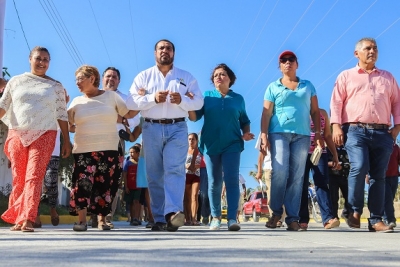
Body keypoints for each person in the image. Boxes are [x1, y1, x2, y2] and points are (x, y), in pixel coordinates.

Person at [127, 39, 203, 231]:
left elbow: (199, 102)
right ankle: (159, 218)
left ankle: (173, 213)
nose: (165, 51)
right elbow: (131, 103)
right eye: (161, 48)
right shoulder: (143, 77)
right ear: (155, 53)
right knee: (154, 174)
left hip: (177, 128)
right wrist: (152, 98)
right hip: (151, 128)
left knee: (175, 170)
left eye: (168, 48)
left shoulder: (186, 77)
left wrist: (182, 100)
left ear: (174, 53)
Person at [330, 37, 400, 233]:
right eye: (368, 48)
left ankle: (376, 220)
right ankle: (354, 210)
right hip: (355, 130)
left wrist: (397, 127)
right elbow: (336, 102)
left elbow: (397, 102)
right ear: (357, 54)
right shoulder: (346, 76)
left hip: (382, 132)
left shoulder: (387, 77)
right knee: (359, 166)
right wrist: (335, 126)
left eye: (375, 48)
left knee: (379, 176)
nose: (372, 51)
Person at [0, 46, 71, 232]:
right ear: (30, 59)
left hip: (45, 133)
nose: (42, 62)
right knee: (19, 177)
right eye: (38, 58)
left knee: (34, 176)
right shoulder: (15, 81)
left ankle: (28, 219)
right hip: (18, 132)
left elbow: (62, 115)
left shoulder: (55, 86)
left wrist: (66, 139)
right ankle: (18, 218)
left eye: (46, 59)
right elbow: (3, 106)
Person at [68, 65, 139, 231]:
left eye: (80, 78)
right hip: (83, 149)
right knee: (82, 184)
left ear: (92, 79)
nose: (77, 82)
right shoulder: (76, 101)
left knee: (105, 185)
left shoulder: (111, 97)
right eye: (76, 79)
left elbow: (128, 114)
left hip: (108, 148)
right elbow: (70, 125)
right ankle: (82, 221)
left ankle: (102, 221)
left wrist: (144, 99)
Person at [260, 50, 323, 231]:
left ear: (297, 64)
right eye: (283, 60)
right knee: (279, 171)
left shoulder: (307, 85)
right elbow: (266, 113)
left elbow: (315, 111)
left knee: (297, 176)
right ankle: (276, 212)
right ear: (280, 66)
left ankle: (293, 218)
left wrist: (317, 133)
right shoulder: (273, 87)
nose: (287, 62)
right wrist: (263, 134)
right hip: (278, 132)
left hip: (302, 135)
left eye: (291, 60)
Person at [189, 63, 254, 231]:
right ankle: (216, 217)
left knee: (232, 180)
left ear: (230, 79)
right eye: (216, 75)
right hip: (210, 145)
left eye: (223, 74)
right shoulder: (207, 97)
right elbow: (195, 117)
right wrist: (189, 104)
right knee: (214, 182)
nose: (219, 77)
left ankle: (232, 218)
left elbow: (245, 121)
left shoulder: (238, 99)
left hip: (232, 144)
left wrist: (246, 133)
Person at [101, 67, 140, 228]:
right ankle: (92, 215)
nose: (111, 79)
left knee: (112, 180)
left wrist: (121, 120)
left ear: (119, 81)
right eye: (108, 76)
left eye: (114, 77)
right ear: (102, 78)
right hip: (93, 139)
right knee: (93, 178)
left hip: (116, 141)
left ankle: (107, 215)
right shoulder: (94, 95)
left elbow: (135, 119)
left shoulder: (125, 99)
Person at [298, 109, 340, 230]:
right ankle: (303, 219)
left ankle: (328, 218)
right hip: (301, 153)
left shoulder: (323, 113)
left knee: (322, 184)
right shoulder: (299, 109)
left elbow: (327, 135)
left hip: (320, 152)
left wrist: (335, 155)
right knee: (302, 185)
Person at [255, 133, 286, 227]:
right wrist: (259, 171)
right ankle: (275, 217)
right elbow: (261, 154)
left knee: (283, 195)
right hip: (269, 168)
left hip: (283, 168)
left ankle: (280, 219)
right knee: (271, 196)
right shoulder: (264, 132)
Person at [328, 145, 350, 220]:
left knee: (349, 197)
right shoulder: (328, 148)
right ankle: (334, 216)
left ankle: (346, 213)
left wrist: (344, 165)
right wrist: (333, 164)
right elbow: (324, 162)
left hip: (345, 175)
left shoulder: (347, 148)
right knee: (333, 198)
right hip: (332, 176)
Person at [184, 133, 201, 226]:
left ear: (196, 140)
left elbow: (203, 163)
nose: (191, 141)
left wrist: (196, 166)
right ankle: (188, 218)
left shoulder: (199, 151)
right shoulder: (184, 151)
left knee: (194, 196)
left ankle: (194, 218)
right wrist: (186, 166)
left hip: (196, 175)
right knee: (187, 197)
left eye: (193, 139)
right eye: (189, 139)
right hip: (186, 175)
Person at [123, 146, 142, 226]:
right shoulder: (127, 163)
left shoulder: (141, 163)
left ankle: (136, 218)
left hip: (138, 186)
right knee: (130, 202)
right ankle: (132, 218)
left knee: (137, 201)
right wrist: (126, 186)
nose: (131, 154)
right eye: (130, 152)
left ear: (138, 153)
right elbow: (125, 175)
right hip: (129, 186)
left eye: (132, 152)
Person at [382, 143, 400, 228]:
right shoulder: (379, 145)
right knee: (387, 198)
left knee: (390, 198)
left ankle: (384, 216)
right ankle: (389, 219)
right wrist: (367, 174)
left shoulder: (396, 147)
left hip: (394, 176)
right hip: (383, 177)